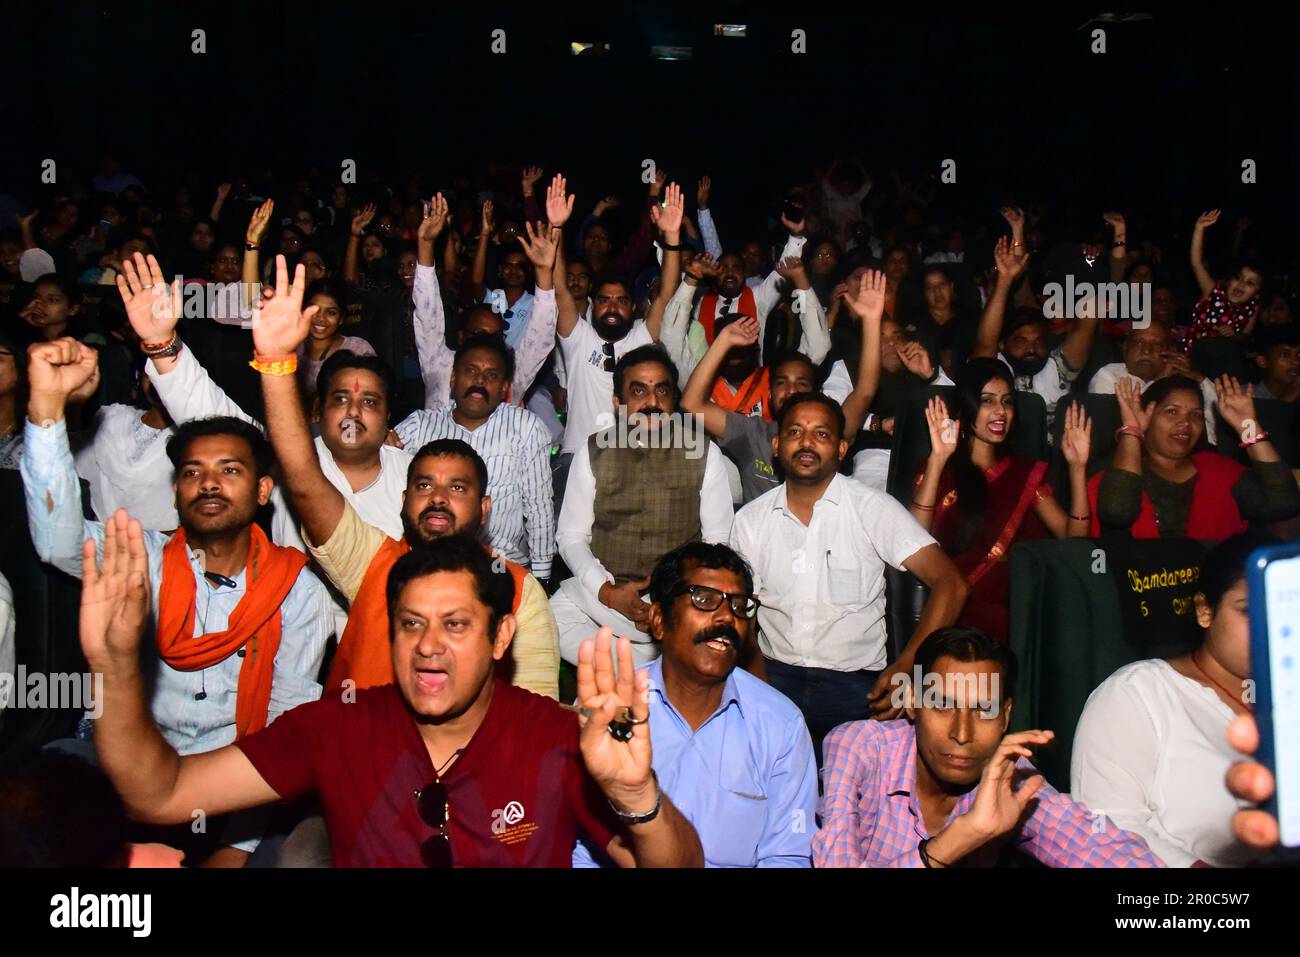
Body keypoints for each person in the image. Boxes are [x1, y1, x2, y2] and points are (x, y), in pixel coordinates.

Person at [78, 512, 704, 867]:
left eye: (456, 625)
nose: (428, 644)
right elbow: (160, 793)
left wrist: (635, 793)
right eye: (411, 624)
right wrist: (113, 665)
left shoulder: (557, 736)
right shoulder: (337, 727)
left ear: (501, 635)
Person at [22, 340, 335, 864]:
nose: (208, 482)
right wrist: (47, 414)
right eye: (192, 472)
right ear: (175, 492)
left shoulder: (297, 591)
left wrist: (237, 846)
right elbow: (56, 541)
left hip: (227, 789)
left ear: (262, 491)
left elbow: (284, 735)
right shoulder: (137, 556)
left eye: (229, 470)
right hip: (118, 766)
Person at [249, 256, 559, 699]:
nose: (437, 498)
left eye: (457, 488)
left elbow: (537, 722)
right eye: (424, 485)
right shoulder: (375, 567)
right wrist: (277, 362)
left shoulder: (518, 593)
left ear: (484, 507)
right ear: (403, 499)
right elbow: (303, 480)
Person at [729, 391, 969, 759]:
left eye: (821, 434)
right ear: (776, 446)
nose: (807, 442)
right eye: (795, 432)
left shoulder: (872, 508)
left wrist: (909, 665)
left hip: (857, 689)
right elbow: (739, 614)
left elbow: (951, 584)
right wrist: (758, 690)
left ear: (842, 450)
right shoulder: (750, 520)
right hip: (774, 678)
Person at [814, 626, 1164, 867]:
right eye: (942, 705)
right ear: (913, 703)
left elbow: (1093, 844)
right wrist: (964, 836)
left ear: (1006, 716)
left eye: (983, 710)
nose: (962, 733)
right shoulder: (858, 748)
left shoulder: (1009, 778)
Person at [572, 542, 817, 867]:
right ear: (658, 619)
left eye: (740, 605)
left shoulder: (781, 725)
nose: (727, 616)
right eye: (704, 599)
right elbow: (579, 846)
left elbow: (788, 857)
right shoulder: (612, 708)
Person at [1072, 531, 1279, 867]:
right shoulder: (1140, 694)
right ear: (1205, 610)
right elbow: (1105, 827)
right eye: (1249, 612)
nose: (1270, 628)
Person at [552, 345, 733, 667]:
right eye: (639, 392)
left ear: (674, 400)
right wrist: (606, 591)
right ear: (618, 404)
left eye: (661, 391)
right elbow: (570, 536)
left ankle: (636, 667)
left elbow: (717, 541)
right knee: (549, 622)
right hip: (608, 592)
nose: (652, 403)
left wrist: (671, 599)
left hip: (677, 597)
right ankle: (645, 669)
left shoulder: (705, 453)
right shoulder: (592, 451)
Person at [909, 359, 1093, 642]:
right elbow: (913, 539)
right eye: (987, 401)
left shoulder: (1024, 474)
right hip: (950, 611)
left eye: (1007, 402)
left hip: (1012, 612)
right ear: (967, 407)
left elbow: (1074, 542)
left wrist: (1078, 469)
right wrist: (937, 459)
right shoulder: (940, 469)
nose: (1000, 412)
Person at [681, 270, 886, 504]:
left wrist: (871, 322)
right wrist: (724, 342)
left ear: (813, 391)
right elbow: (691, 404)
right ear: (769, 395)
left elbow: (865, 391)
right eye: (782, 382)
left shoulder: (830, 425)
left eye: (801, 383)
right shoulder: (752, 433)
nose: (791, 390)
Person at [550, 183, 685, 503]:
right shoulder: (577, 336)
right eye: (605, 300)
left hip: (630, 457)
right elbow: (559, 290)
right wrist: (556, 228)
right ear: (593, 305)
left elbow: (667, 294)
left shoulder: (641, 337)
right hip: (576, 456)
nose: (612, 307)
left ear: (632, 306)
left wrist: (672, 238)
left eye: (621, 301)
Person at [394, 333, 555, 582]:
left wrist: (542, 578)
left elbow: (539, 507)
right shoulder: (419, 426)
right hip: (430, 564)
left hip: (500, 567)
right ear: (453, 378)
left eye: (491, 375)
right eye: (471, 371)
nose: (479, 380)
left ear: (504, 388)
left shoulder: (525, 427)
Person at [1090, 376, 1300, 538]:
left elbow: (1285, 502)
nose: (1186, 423)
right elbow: (1117, 512)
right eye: (1172, 411)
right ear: (1146, 417)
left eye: (1196, 415)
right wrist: (1132, 431)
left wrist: (1248, 425)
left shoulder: (1218, 471)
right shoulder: (1114, 474)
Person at [410, 190, 561, 410]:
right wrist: (425, 245)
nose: (488, 343)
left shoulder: (511, 376)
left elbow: (542, 335)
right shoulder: (440, 364)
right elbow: (426, 314)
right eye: (480, 334)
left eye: (495, 337)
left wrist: (545, 271)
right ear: (461, 337)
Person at [971, 238, 1098, 428]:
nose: (1032, 348)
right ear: (1003, 343)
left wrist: (1088, 265)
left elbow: (1087, 324)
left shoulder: (1057, 368)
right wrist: (1004, 280)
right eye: (1021, 341)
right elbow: (985, 343)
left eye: (1038, 341)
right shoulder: (994, 370)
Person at [1088, 320, 1219, 443]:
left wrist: (1199, 379)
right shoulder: (1108, 375)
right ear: (1126, 348)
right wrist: (1160, 381)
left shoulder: (1181, 382)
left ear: (1171, 351)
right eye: (1139, 342)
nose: (1146, 350)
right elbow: (1118, 427)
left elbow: (1216, 431)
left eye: (1157, 344)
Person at [1187, 209, 1263, 344]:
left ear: (1257, 292)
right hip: (1194, 357)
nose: (1241, 284)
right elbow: (1197, 263)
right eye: (1238, 278)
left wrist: (1234, 335)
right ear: (1229, 280)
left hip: (1224, 361)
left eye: (1250, 283)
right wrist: (1199, 229)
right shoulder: (1213, 292)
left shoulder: (1253, 306)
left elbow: (1246, 336)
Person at [295, 278, 376, 394]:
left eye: (331, 312)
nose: (321, 318)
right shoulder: (290, 345)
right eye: (314, 310)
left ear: (341, 318)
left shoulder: (358, 349)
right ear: (303, 310)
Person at [1250, 322, 1300, 402]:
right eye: (1285, 354)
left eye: (1299, 355)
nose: (1296, 362)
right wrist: (1287, 399)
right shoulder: (1243, 396)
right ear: (1262, 361)